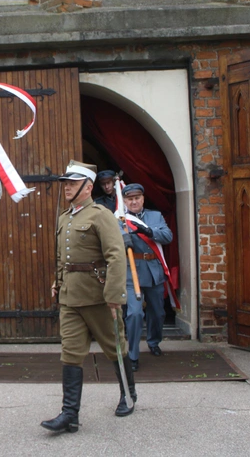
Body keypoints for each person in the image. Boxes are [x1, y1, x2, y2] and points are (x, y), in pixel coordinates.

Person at [41, 160, 136, 435]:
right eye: (66, 183)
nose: (67, 187)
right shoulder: (65, 217)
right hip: (70, 297)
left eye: (72, 183)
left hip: (99, 295)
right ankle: (69, 414)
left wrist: (114, 294)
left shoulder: (100, 215)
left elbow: (116, 255)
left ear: (88, 187)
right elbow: (62, 258)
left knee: (115, 346)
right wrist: (57, 283)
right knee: (70, 353)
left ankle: (128, 396)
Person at [121, 183, 173, 372]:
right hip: (131, 270)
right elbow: (108, 242)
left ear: (143, 199)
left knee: (157, 312)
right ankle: (133, 354)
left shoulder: (155, 216)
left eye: (137, 198)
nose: (133, 202)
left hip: (153, 269)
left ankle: (153, 341)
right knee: (134, 314)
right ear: (125, 201)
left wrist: (150, 232)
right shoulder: (119, 219)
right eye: (129, 199)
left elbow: (168, 236)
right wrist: (121, 239)